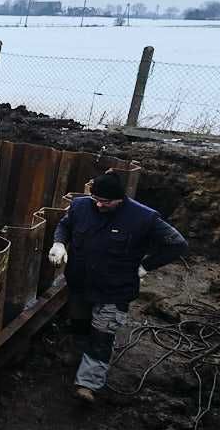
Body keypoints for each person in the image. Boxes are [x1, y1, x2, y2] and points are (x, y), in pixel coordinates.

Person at [48, 171, 188, 403]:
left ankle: (87, 384)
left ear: (120, 199)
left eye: (107, 202)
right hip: (80, 283)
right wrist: (59, 243)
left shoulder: (144, 218)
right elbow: (65, 226)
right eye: (97, 200)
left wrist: (146, 266)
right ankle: (81, 357)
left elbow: (177, 244)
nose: (100, 205)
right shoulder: (80, 206)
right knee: (80, 325)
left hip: (115, 290)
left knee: (102, 335)